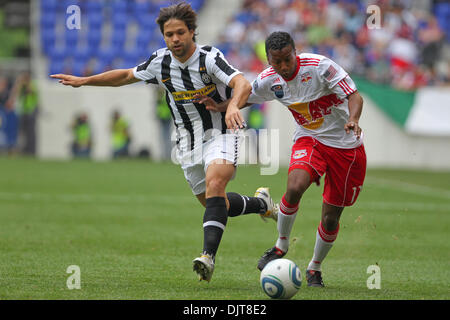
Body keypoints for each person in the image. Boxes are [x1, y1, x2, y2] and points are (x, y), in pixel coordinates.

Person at [50, 2, 277, 283]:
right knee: (215, 204)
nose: (175, 39)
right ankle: (260, 203)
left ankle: (207, 257)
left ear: (192, 32)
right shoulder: (160, 62)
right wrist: (84, 80)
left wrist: (232, 107)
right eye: (169, 34)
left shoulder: (209, 58)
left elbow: (241, 83)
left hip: (220, 134)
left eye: (180, 32)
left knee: (216, 184)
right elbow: (124, 76)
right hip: (186, 144)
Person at [200, 31, 366, 287]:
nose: (284, 67)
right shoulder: (269, 80)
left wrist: (353, 119)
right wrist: (223, 107)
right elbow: (246, 97)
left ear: (294, 52)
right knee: (295, 186)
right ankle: (281, 245)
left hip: (346, 148)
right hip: (310, 140)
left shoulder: (320, 67)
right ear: (269, 60)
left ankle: (315, 268)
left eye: (287, 59)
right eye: (276, 62)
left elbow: (354, 95)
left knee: (331, 217)